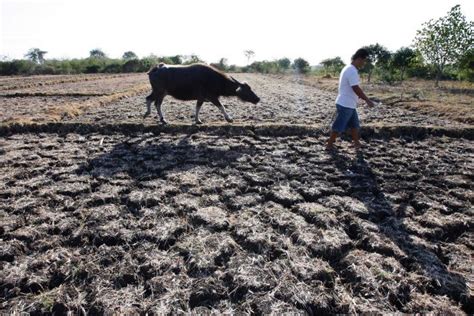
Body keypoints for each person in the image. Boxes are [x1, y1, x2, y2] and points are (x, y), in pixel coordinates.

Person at [326, 48, 374, 150]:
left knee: (354, 125)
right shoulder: (351, 71)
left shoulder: (348, 68)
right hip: (345, 104)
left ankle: (356, 143)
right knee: (339, 125)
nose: (364, 64)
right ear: (359, 59)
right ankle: (329, 144)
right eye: (364, 61)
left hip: (349, 103)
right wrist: (367, 99)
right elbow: (355, 88)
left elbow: (354, 88)